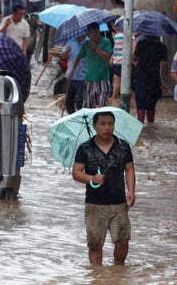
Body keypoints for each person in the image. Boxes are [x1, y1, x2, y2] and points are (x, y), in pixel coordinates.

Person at [72, 110, 136, 266]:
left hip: (119, 202)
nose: (107, 127)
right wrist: (91, 178)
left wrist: (131, 191)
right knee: (95, 244)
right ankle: (97, 275)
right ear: (94, 126)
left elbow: (129, 169)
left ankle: (118, 271)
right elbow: (76, 173)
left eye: (110, 124)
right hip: (95, 204)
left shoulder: (123, 147)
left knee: (122, 240)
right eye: (102, 124)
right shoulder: (85, 148)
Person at [68, 22, 112, 109]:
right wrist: (72, 70)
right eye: (92, 32)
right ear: (88, 33)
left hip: (103, 79)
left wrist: (96, 48)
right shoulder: (86, 44)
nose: (95, 34)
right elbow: (78, 58)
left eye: (96, 32)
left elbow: (107, 57)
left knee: (102, 106)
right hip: (89, 80)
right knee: (88, 107)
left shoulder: (106, 42)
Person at [132, 35, 168, 123]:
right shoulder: (162, 47)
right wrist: (165, 82)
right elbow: (164, 66)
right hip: (154, 80)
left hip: (141, 79)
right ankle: (151, 130)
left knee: (140, 106)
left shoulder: (141, 44)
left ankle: (142, 130)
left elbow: (134, 59)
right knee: (151, 107)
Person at [60, 33, 88, 114]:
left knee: (80, 101)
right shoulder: (71, 41)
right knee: (69, 100)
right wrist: (67, 51)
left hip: (83, 76)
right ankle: (71, 117)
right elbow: (63, 56)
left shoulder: (88, 42)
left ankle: (80, 117)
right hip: (70, 76)